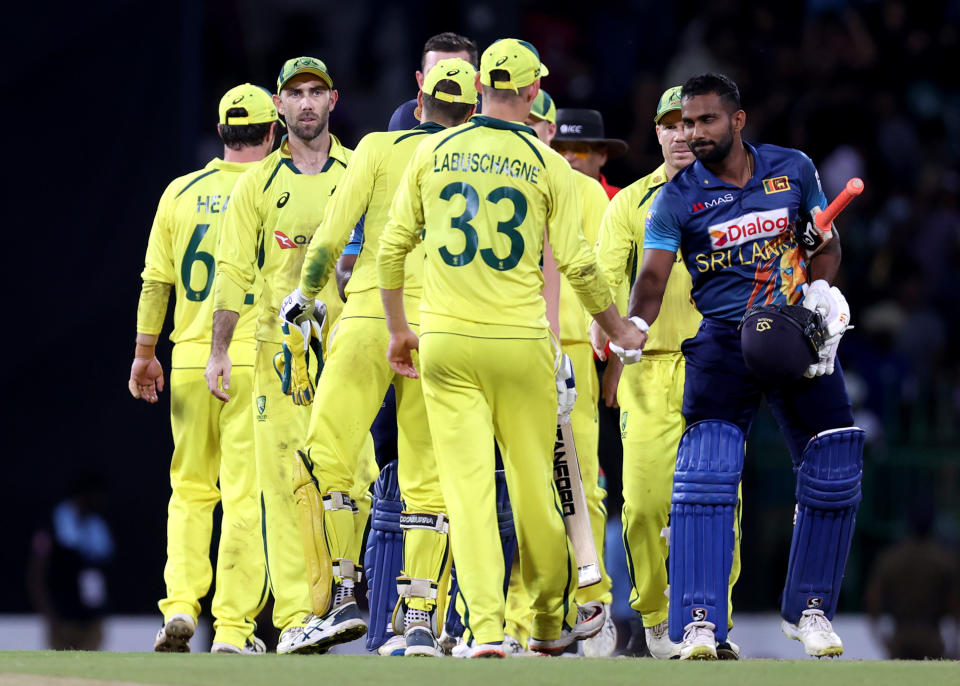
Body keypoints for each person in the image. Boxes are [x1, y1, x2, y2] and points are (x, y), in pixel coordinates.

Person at [377, 37, 647, 658]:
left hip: (445, 341)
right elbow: (578, 264)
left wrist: (397, 327)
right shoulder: (550, 165)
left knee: (468, 493)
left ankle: (488, 632)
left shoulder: (433, 152)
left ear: (477, 89)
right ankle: (548, 621)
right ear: (531, 94)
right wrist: (618, 326)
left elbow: (391, 250)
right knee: (537, 489)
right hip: (523, 342)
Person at [623, 72, 861, 659]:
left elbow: (824, 243)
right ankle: (699, 621)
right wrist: (638, 324)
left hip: (793, 331)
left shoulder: (793, 168)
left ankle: (811, 612)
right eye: (684, 122)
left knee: (833, 462)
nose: (693, 132)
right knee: (706, 475)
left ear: (737, 120)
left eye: (705, 120)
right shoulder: (677, 197)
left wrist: (822, 292)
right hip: (724, 342)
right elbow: (653, 277)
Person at [279, 58, 479, 656]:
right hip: (444, 326)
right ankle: (420, 616)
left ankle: (339, 597)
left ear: (419, 101)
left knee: (324, 456)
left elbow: (334, 234)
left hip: (371, 314)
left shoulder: (376, 147)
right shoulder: (478, 161)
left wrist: (304, 294)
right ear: (471, 109)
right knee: (429, 476)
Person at [206, 57, 371, 654]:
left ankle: (359, 599)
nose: (306, 103)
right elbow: (232, 272)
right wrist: (220, 351)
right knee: (281, 482)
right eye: (295, 94)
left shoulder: (361, 170)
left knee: (358, 477)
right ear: (279, 106)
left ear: (334, 100)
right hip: (280, 356)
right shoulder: (257, 185)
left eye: (316, 92)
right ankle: (299, 616)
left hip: (352, 347)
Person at [591, 86, 741, 659]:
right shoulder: (630, 204)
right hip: (649, 372)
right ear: (657, 133)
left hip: (721, 366)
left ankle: (708, 622)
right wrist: (607, 344)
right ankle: (656, 619)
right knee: (647, 503)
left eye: (692, 124)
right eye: (671, 125)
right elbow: (602, 285)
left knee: (719, 499)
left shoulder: (739, 196)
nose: (683, 135)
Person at [129, 83, 279, 654]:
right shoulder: (274, 190)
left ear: (221, 133)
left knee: (189, 490)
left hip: (189, 357)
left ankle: (180, 607)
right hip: (251, 358)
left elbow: (155, 281)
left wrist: (146, 354)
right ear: (273, 132)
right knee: (246, 492)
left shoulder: (180, 191)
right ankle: (235, 628)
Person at [521, 89, 618, 657]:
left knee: (582, 483)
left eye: (539, 125)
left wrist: (611, 359)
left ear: (551, 132)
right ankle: (530, 615)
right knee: (520, 488)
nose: (531, 131)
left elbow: (605, 271)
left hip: (573, 350)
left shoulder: (586, 193)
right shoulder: (497, 186)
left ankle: (592, 601)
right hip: (508, 347)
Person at [27, 471, 114, 651]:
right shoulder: (52, 524)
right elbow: (37, 576)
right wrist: (50, 618)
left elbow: (103, 573)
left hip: (90, 623)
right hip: (61, 621)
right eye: (96, 496)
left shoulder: (97, 526)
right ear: (84, 495)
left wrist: (100, 616)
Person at [387, 32, 478, 131]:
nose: (447, 83)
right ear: (421, 81)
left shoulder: (489, 123)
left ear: (477, 82)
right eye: (435, 73)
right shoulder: (404, 119)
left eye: (460, 73)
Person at [551, 108, 628, 199]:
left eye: (580, 149)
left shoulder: (621, 201)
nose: (568, 158)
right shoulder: (540, 196)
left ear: (602, 156)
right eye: (560, 149)